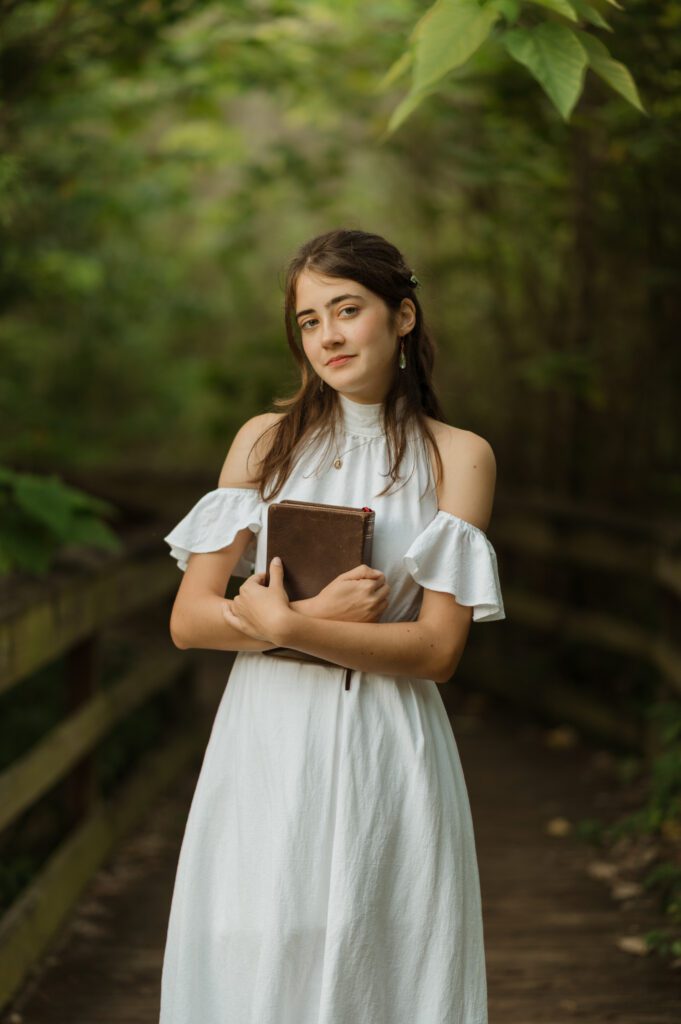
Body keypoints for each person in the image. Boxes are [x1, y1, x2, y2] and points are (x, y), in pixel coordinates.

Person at [159, 227, 505, 1024]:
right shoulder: (263, 442)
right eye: (309, 321)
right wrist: (306, 616)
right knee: (256, 948)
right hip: (266, 736)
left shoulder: (459, 457)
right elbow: (189, 619)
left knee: (377, 954)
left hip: (386, 737)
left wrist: (284, 623)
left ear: (403, 316)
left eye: (346, 310)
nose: (328, 337)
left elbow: (436, 650)